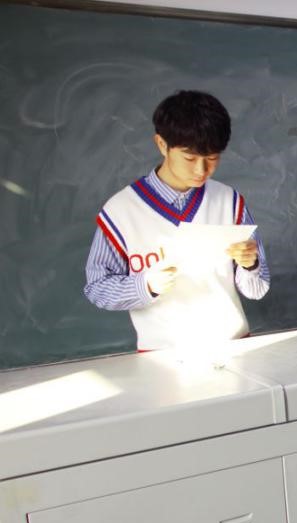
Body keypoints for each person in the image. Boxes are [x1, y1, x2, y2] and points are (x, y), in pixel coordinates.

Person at [84, 90, 269, 351]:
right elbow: (97, 288)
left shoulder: (230, 201)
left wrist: (250, 265)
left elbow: (257, 290)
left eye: (212, 158)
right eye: (190, 158)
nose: (201, 170)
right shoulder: (121, 211)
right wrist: (146, 285)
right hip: (162, 356)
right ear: (162, 144)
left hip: (233, 347)